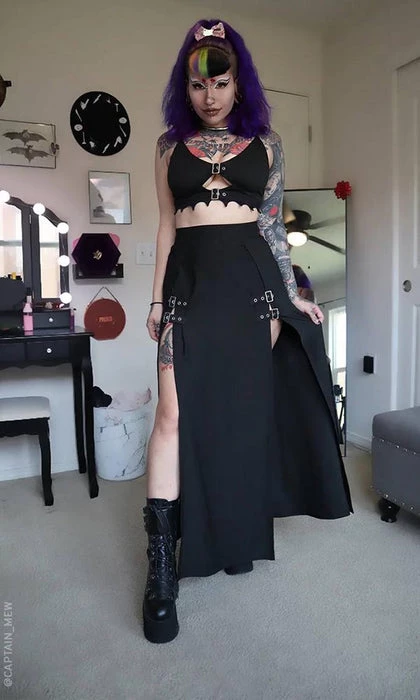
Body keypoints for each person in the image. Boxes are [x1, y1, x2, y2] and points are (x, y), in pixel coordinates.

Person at [142, 19, 353, 644]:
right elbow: (166, 226)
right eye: (198, 84)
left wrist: (293, 296)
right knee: (171, 416)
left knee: (239, 418)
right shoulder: (167, 147)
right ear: (185, 88)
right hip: (189, 289)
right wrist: (155, 300)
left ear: (239, 83)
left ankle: (234, 538)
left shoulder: (267, 144)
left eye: (221, 82)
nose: (210, 96)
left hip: (253, 290)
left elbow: (271, 226)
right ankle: (160, 573)